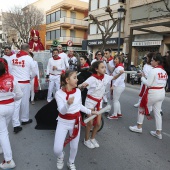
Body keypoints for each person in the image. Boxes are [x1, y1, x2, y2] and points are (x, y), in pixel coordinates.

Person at [54, 70, 97, 170]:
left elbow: (79, 106)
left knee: (74, 146)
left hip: (76, 122)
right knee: (57, 149)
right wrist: (68, 104)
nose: (77, 79)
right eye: (74, 77)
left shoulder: (78, 91)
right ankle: (60, 156)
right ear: (67, 80)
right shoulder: (58, 94)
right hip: (63, 122)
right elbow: (62, 111)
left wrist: (90, 112)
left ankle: (71, 162)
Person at [78, 61, 123, 148]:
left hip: (99, 102)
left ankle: (93, 138)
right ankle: (86, 140)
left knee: (98, 124)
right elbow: (85, 84)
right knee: (90, 122)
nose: (104, 69)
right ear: (96, 69)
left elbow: (113, 77)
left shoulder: (105, 77)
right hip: (90, 102)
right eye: (102, 67)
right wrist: (82, 85)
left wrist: (120, 74)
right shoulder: (92, 78)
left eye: (105, 67)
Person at [129, 53, 168, 139]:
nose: (151, 61)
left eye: (153, 60)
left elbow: (148, 83)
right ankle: (158, 132)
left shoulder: (154, 71)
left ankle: (139, 127)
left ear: (157, 62)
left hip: (153, 92)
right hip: (161, 92)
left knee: (141, 107)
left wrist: (142, 77)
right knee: (157, 112)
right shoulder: (163, 71)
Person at [0, 58, 23, 169]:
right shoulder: (12, 79)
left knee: (3, 132)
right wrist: (11, 98)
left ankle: (8, 160)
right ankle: (1, 147)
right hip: (10, 107)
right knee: (3, 130)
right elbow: (19, 95)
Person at [11, 43, 37, 133]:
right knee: (25, 102)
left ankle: (15, 124)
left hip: (15, 83)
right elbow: (34, 72)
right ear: (28, 49)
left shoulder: (13, 57)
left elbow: (10, 70)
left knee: (16, 103)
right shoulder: (29, 58)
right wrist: (30, 77)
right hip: (25, 82)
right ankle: (24, 119)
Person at [107, 55, 125, 119]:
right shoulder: (118, 67)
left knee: (115, 100)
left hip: (118, 86)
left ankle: (115, 115)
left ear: (120, 60)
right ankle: (119, 113)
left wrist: (113, 86)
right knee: (117, 100)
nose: (115, 60)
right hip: (119, 86)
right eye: (114, 59)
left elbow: (119, 78)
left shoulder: (119, 68)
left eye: (116, 59)